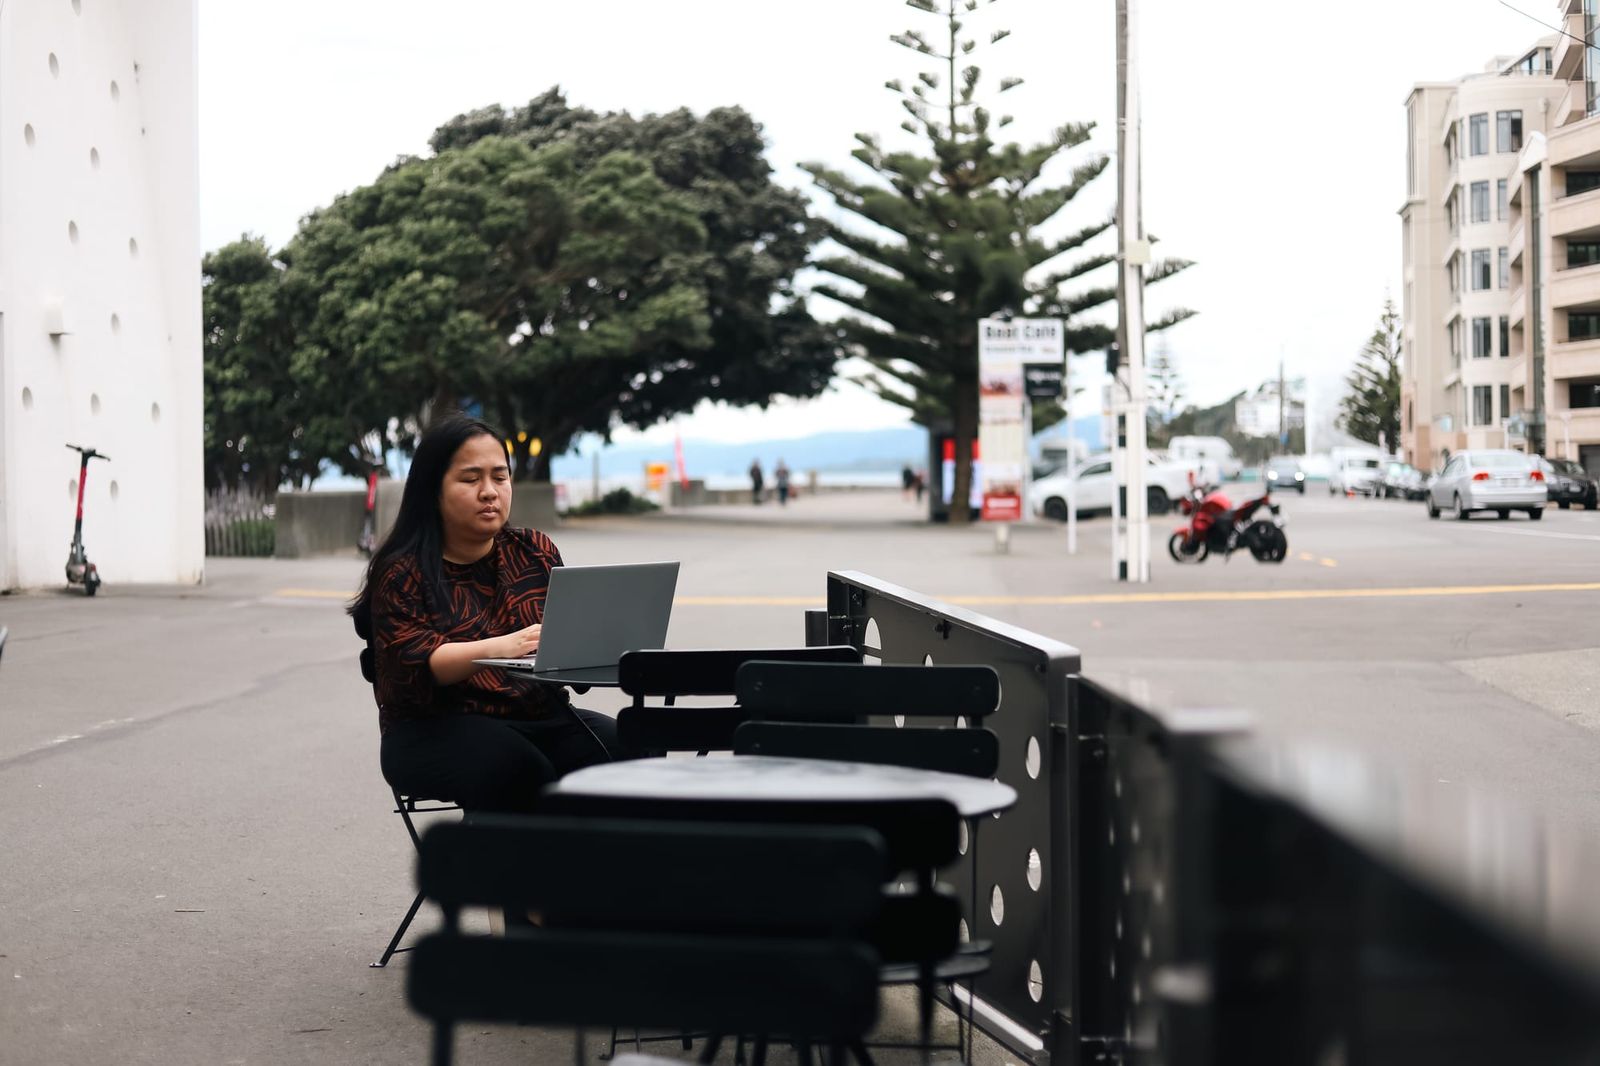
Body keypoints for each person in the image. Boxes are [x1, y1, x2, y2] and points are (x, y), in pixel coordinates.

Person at [349, 412, 625, 814]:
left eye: (500, 476)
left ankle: (593, 869)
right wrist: (504, 646)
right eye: (470, 479)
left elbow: (561, 649)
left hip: (537, 714)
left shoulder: (534, 550)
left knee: (632, 747)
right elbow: (420, 666)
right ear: (432, 489)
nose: (489, 491)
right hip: (433, 727)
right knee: (515, 767)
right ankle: (498, 870)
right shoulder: (402, 570)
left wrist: (595, 644)